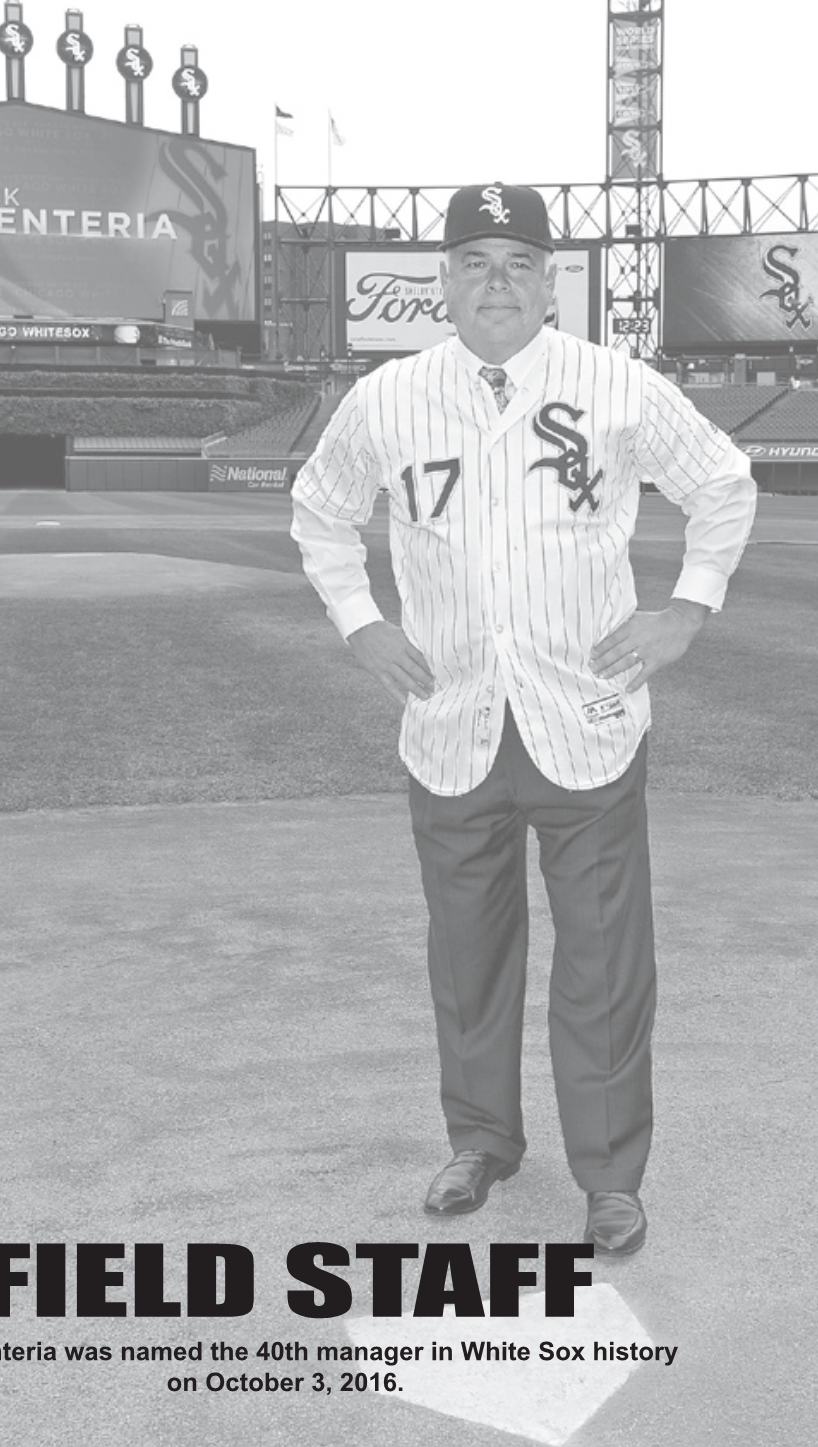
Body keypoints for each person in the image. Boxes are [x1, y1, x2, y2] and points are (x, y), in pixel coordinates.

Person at [290, 183, 756, 1255]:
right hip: (450, 718)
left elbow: (725, 484)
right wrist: (360, 622)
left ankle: (608, 1173)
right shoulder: (388, 398)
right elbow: (321, 509)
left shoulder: (616, 384)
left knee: (603, 958)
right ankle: (482, 1141)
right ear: (443, 281)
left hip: (583, 713)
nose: (495, 280)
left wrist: (688, 609)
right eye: (474, 260)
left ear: (551, 281)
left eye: (517, 261)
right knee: (467, 955)